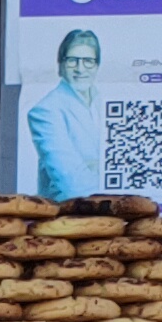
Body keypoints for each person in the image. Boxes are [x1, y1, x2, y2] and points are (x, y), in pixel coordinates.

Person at [28, 24, 107, 201]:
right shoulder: (45, 110)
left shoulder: (104, 103)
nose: (80, 68)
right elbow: (72, 182)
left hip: (112, 213)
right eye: (72, 60)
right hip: (65, 215)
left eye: (88, 61)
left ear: (97, 65)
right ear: (61, 65)